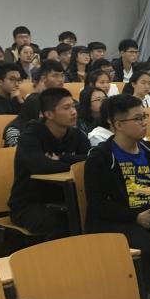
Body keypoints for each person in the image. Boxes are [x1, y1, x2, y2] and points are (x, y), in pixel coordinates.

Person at [84, 94, 150, 299]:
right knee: (147, 249)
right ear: (118, 124)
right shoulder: (100, 157)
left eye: (144, 116)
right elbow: (97, 204)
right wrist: (135, 217)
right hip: (116, 222)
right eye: (137, 119)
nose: (144, 122)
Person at [8, 87, 90, 240]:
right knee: (60, 225)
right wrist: (74, 164)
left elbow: (90, 160)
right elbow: (41, 166)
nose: (73, 112)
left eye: (74, 106)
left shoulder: (76, 135)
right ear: (49, 114)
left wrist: (62, 158)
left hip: (66, 200)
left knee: (93, 217)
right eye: (66, 108)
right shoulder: (30, 136)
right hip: (29, 204)